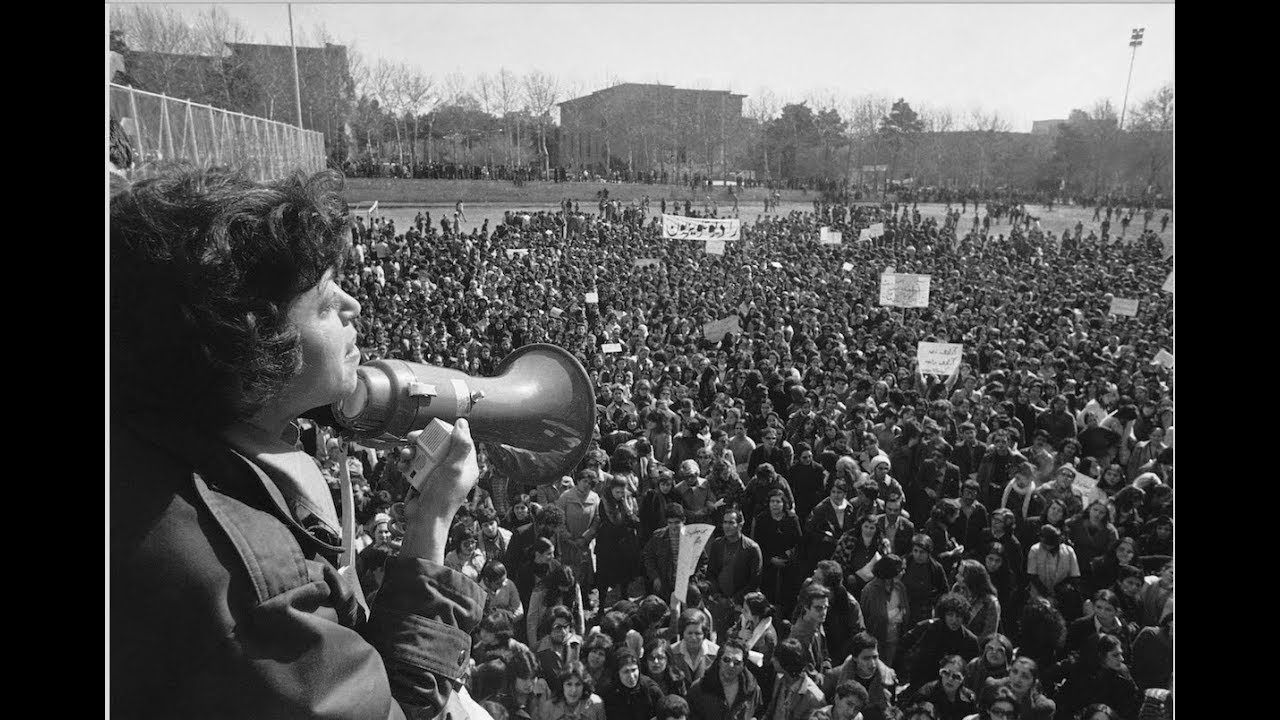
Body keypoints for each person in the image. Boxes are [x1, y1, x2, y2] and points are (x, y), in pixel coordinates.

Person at [111, 166, 485, 717]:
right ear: (252, 336)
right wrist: (431, 528)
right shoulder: (258, 592)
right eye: (326, 302)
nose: (354, 306)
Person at [704, 507, 764, 637]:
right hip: (720, 603)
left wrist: (735, 600)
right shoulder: (717, 545)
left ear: (740, 525)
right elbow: (711, 573)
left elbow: (755, 580)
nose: (727, 526)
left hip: (742, 606)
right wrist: (717, 596)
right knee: (721, 638)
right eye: (725, 522)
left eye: (731, 523)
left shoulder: (752, 548)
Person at [822, 632, 898, 720]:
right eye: (866, 658)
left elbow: (890, 710)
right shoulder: (834, 677)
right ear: (855, 658)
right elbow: (824, 710)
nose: (872, 664)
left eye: (875, 657)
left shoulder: (888, 678)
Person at [686, 638, 764, 720]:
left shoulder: (752, 690)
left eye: (737, 662)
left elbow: (759, 714)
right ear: (719, 661)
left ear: (743, 665)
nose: (731, 665)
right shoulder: (699, 688)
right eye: (726, 660)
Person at [860, 554, 910, 669]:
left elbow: (905, 611)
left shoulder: (900, 587)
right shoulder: (870, 590)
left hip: (894, 638)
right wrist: (896, 613)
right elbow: (874, 616)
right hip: (877, 640)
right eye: (900, 570)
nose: (903, 572)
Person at [763, 638, 826, 720]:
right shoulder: (780, 679)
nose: (772, 660)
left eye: (776, 659)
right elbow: (771, 710)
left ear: (786, 663)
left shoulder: (813, 699)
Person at [902, 655, 978, 720]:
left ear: (963, 679)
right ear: (940, 673)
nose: (950, 679)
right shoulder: (925, 694)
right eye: (946, 673)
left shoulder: (969, 697)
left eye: (956, 676)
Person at [979, 657, 1055, 720]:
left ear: (1033, 682)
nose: (1017, 679)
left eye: (1025, 676)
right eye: (1014, 672)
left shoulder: (1043, 708)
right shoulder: (992, 687)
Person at [600, 647, 665, 720]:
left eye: (633, 670)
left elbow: (666, 713)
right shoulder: (608, 693)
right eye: (626, 671)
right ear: (617, 674)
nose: (631, 676)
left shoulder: (650, 689)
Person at [538, 661, 606, 720]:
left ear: (584, 686)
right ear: (562, 686)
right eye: (569, 684)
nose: (574, 690)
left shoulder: (596, 705)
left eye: (578, 684)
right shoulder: (548, 708)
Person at [951, 560, 1001, 640]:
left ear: (971, 579)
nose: (956, 576)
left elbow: (989, 634)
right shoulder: (957, 589)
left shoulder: (990, 602)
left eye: (960, 574)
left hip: (976, 647)